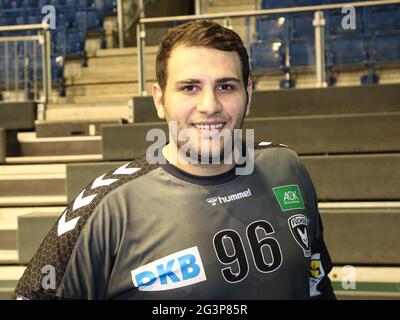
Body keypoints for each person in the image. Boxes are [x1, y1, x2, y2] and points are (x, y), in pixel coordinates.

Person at [14, 20, 335, 300]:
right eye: (190, 88)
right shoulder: (104, 211)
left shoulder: (287, 168)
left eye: (226, 86)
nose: (210, 106)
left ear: (248, 95)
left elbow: (316, 284)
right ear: (159, 99)